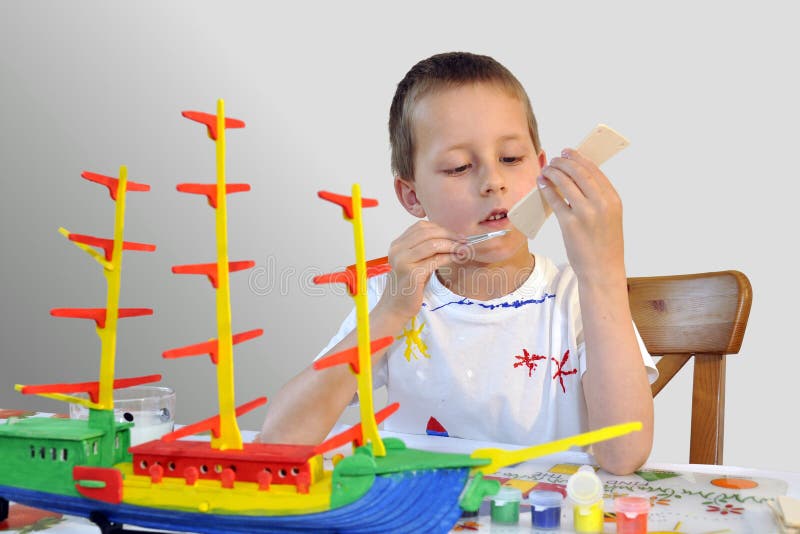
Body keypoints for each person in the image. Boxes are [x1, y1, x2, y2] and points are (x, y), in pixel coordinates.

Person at [259, 51, 657, 475]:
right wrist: (391, 313)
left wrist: (604, 271)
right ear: (412, 196)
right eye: (458, 167)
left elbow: (624, 454)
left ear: (541, 170)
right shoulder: (393, 298)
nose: (493, 182)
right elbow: (281, 440)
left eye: (510, 158)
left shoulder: (579, 298)